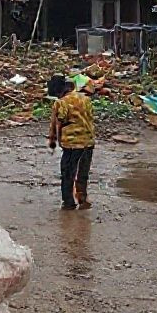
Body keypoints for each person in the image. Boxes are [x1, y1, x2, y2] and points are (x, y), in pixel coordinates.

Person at [48, 75, 95, 211]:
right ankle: (82, 198)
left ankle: (68, 203)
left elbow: (57, 123)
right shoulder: (85, 99)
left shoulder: (61, 103)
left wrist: (53, 140)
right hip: (88, 142)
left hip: (71, 144)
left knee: (68, 173)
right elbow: (90, 118)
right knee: (83, 172)